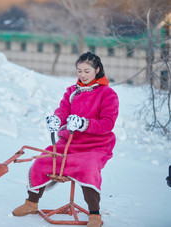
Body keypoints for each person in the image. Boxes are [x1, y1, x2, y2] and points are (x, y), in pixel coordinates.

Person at [12, 52, 119, 227]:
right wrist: (57, 119)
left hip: (96, 146)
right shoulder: (72, 91)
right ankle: (31, 203)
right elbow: (63, 110)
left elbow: (108, 123)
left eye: (87, 71)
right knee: (43, 159)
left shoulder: (108, 94)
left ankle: (94, 214)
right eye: (79, 71)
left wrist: (84, 123)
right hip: (70, 142)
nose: (82, 75)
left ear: (97, 70)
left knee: (88, 168)